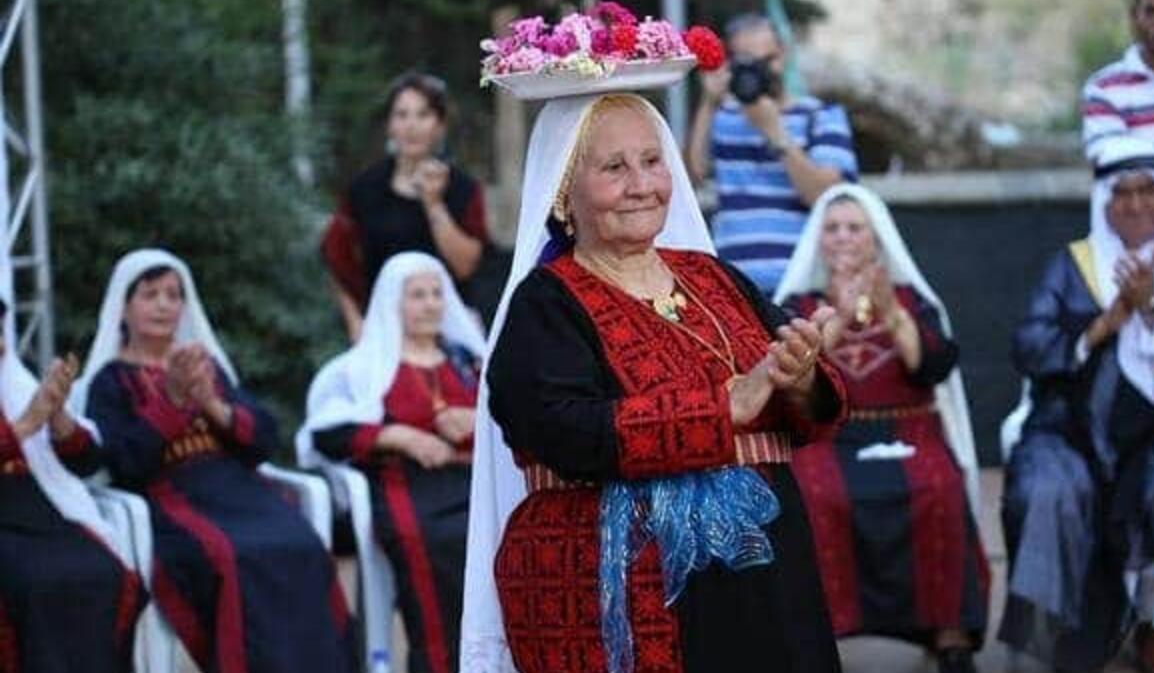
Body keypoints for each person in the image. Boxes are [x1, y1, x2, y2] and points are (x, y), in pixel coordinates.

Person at [462, 87, 849, 673]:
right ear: (564, 190)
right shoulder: (546, 303)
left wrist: (800, 379)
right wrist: (721, 409)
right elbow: (561, 432)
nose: (642, 185)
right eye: (614, 168)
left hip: (767, 578)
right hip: (626, 578)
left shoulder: (713, 277)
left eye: (651, 161)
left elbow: (806, 397)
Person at [73, 249, 357, 673]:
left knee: (302, 543)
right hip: (168, 499)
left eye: (174, 295)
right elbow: (125, 463)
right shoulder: (110, 381)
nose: (164, 305)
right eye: (150, 294)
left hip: (237, 489)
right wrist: (170, 403)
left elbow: (263, 440)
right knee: (229, 556)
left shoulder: (206, 367)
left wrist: (211, 403)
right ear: (124, 308)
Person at [999, 137, 1154, 673]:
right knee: (1046, 490)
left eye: (1147, 191)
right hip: (1068, 427)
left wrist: (1153, 308)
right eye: (1122, 193)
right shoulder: (1074, 265)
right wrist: (1104, 324)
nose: (1135, 205)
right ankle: (1044, 640)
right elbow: (1028, 348)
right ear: (1104, 202)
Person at [772, 184, 988, 673]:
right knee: (816, 496)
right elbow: (792, 375)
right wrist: (840, 316)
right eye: (833, 229)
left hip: (909, 430)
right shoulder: (797, 305)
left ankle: (950, 633)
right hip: (827, 435)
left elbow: (931, 366)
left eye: (855, 228)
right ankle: (818, 634)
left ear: (876, 239)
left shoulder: (911, 299)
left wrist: (889, 310)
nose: (843, 238)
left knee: (939, 487)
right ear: (818, 240)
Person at [298, 252, 485, 673]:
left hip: (476, 483)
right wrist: (398, 435)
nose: (431, 304)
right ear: (391, 303)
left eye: (437, 293)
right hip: (406, 489)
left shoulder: (468, 361)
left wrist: (476, 420)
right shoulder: (365, 368)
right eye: (417, 295)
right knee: (442, 543)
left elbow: (512, 417)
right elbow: (327, 434)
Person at [0, 297, 143, 673]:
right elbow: (23, 428)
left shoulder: (11, 380)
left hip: (37, 507)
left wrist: (58, 415)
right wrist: (24, 426)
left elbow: (87, 463)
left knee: (102, 570)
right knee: (33, 584)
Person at [685, 13, 858, 296]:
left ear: (785, 54)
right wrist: (708, 102)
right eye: (749, 63)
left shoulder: (822, 116)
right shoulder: (723, 116)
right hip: (734, 286)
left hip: (804, 285)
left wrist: (775, 132)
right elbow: (690, 178)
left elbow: (827, 198)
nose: (763, 72)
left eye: (769, 60)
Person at [322, 72, 490, 341]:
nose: (412, 125)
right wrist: (355, 321)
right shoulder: (365, 188)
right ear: (389, 125)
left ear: (440, 125)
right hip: (383, 328)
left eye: (423, 115)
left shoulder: (463, 189)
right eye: (402, 115)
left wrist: (433, 203)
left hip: (448, 329)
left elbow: (466, 266)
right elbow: (336, 257)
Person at [1082, 0, 1154, 235]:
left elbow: (1131, 167)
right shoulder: (1103, 88)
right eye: (1152, 11)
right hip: (1139, 252)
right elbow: (1115, 173)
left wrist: (1145, 163)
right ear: (1135, 17)